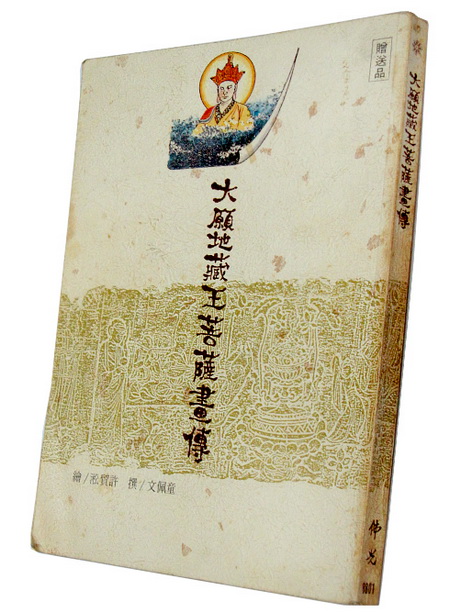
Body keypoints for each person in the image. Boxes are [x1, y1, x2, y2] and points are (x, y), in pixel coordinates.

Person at [193, 55, 253, 135]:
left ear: (234, 89)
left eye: (229, 88)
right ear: (218, 90)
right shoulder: (209, 112)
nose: (225, 92)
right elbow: (196, 134)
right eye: (222, 88)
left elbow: (245, 134)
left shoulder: (242, 110)